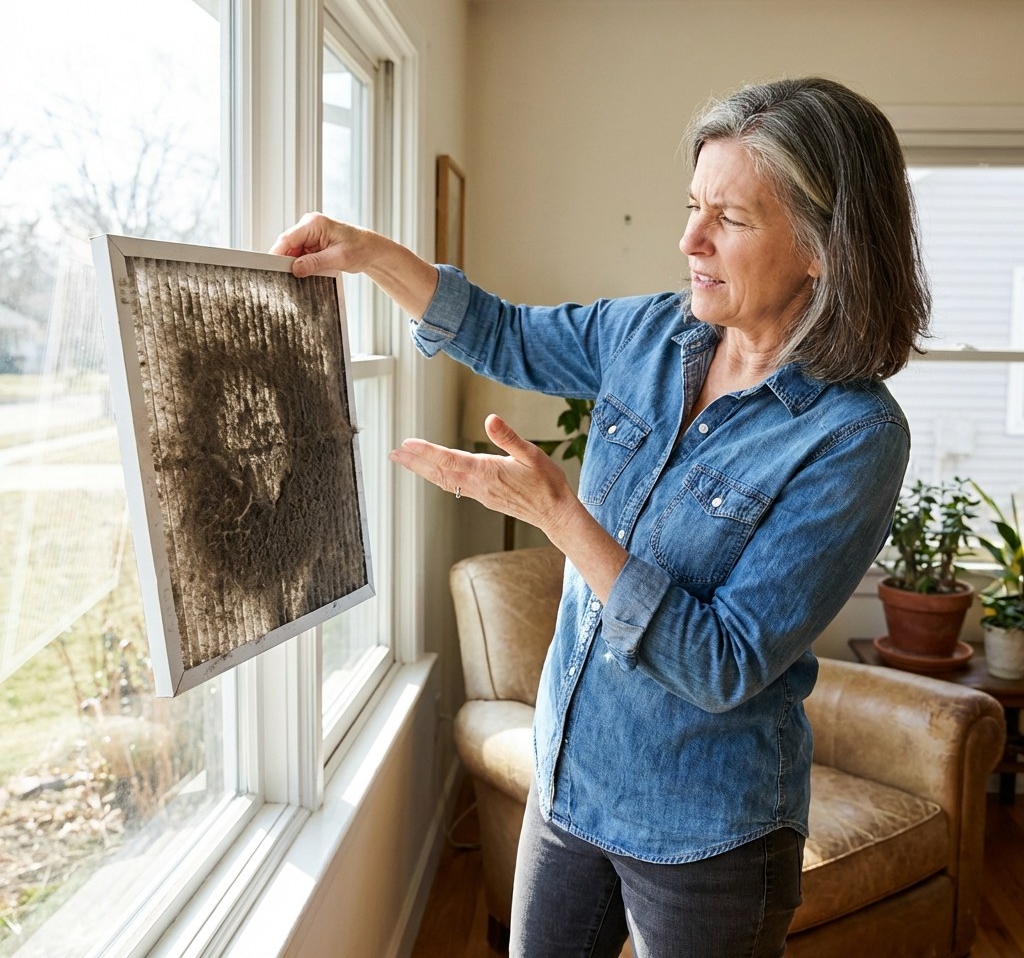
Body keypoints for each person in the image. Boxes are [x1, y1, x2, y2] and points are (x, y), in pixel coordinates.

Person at [271, 76, 930, 958]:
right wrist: (370, 254)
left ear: (823, 249)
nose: (689, 239)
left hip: (709, 835)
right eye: (693, 205)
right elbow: (504, 334)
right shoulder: (653, 335)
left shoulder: (854, 435)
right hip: (569, 784)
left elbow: (728, 662)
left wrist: (561, 517)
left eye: (730, 219)